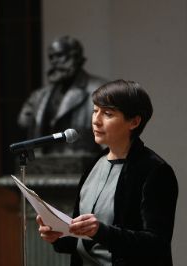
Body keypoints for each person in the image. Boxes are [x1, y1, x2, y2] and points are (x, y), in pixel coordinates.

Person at [36, 79, 178, 265]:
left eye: (107, 113)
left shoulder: (155, 171)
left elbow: (156, 244)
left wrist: (101, 231)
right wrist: (59, 235)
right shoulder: (95, 163)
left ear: (134, 122)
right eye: (95, 111)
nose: (96, 120)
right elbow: (83, 243)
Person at [18, 36, 106, 155]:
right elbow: (23, 122)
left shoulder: (99, 89)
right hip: (45, 164)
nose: (54, 62)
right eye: (51, 57)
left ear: (75, 57)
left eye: (59, 55)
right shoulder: (41, 95)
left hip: (83, 162)